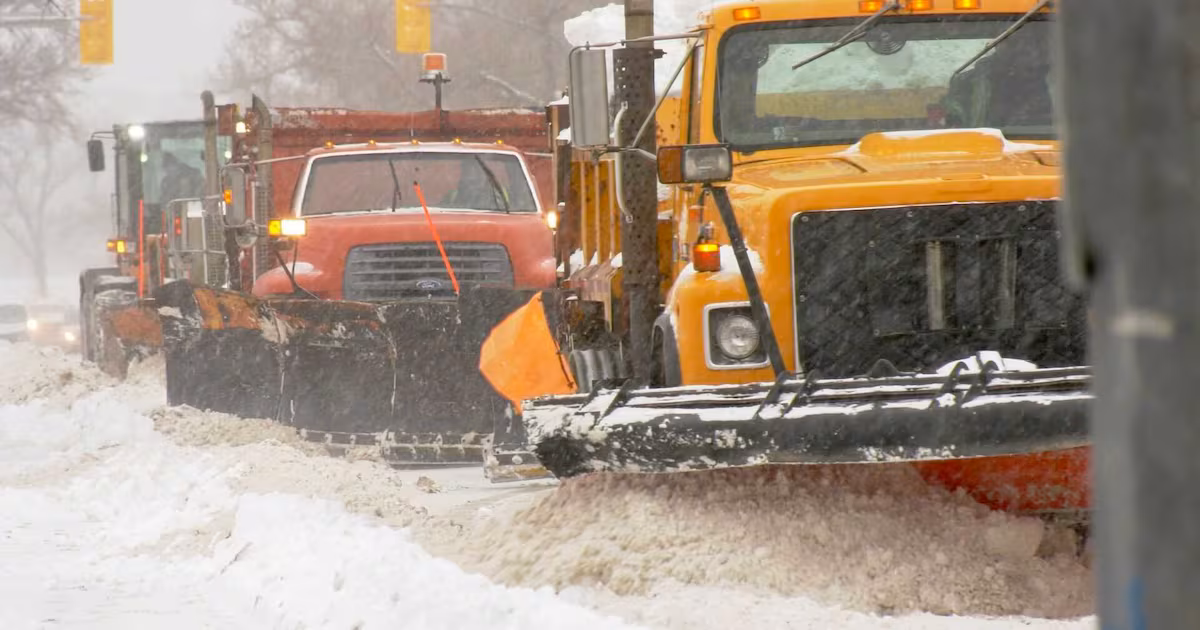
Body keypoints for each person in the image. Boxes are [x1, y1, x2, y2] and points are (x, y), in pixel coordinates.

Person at [941, 28, 1054, 129]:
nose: (1017, 47)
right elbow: (955, 121)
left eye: (1022, 42)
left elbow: (1048, 121)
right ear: (996, 44)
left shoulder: (1048, 79)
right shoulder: (966, 81)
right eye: (1009, 41)